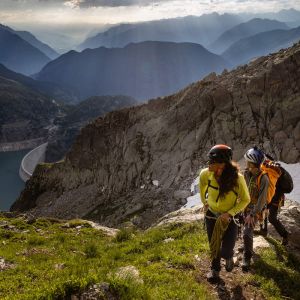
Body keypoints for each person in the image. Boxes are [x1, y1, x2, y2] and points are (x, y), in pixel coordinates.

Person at [199, 144, 250, 282]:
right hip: (212, 215)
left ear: (222, 164)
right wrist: (205, 201)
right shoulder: (206, 174)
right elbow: (202, 186)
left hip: (230, 218)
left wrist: (230, 213)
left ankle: (228, 257)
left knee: (226, 250)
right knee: (213, 244)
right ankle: (215, 270)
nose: (209, 164)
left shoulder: (237, 178)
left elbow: (246, 199)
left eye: (212, 162)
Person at [242, 147, 269, 271]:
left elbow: (262, 200)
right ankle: (247, 246)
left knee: (247, 232)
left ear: (254, 164)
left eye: (248, 163)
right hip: (244, 206)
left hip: (255, 210)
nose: (247, 164)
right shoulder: (246, 173)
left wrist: (252, 214)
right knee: (243, 230)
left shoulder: (263, 178)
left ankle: (247, 256)